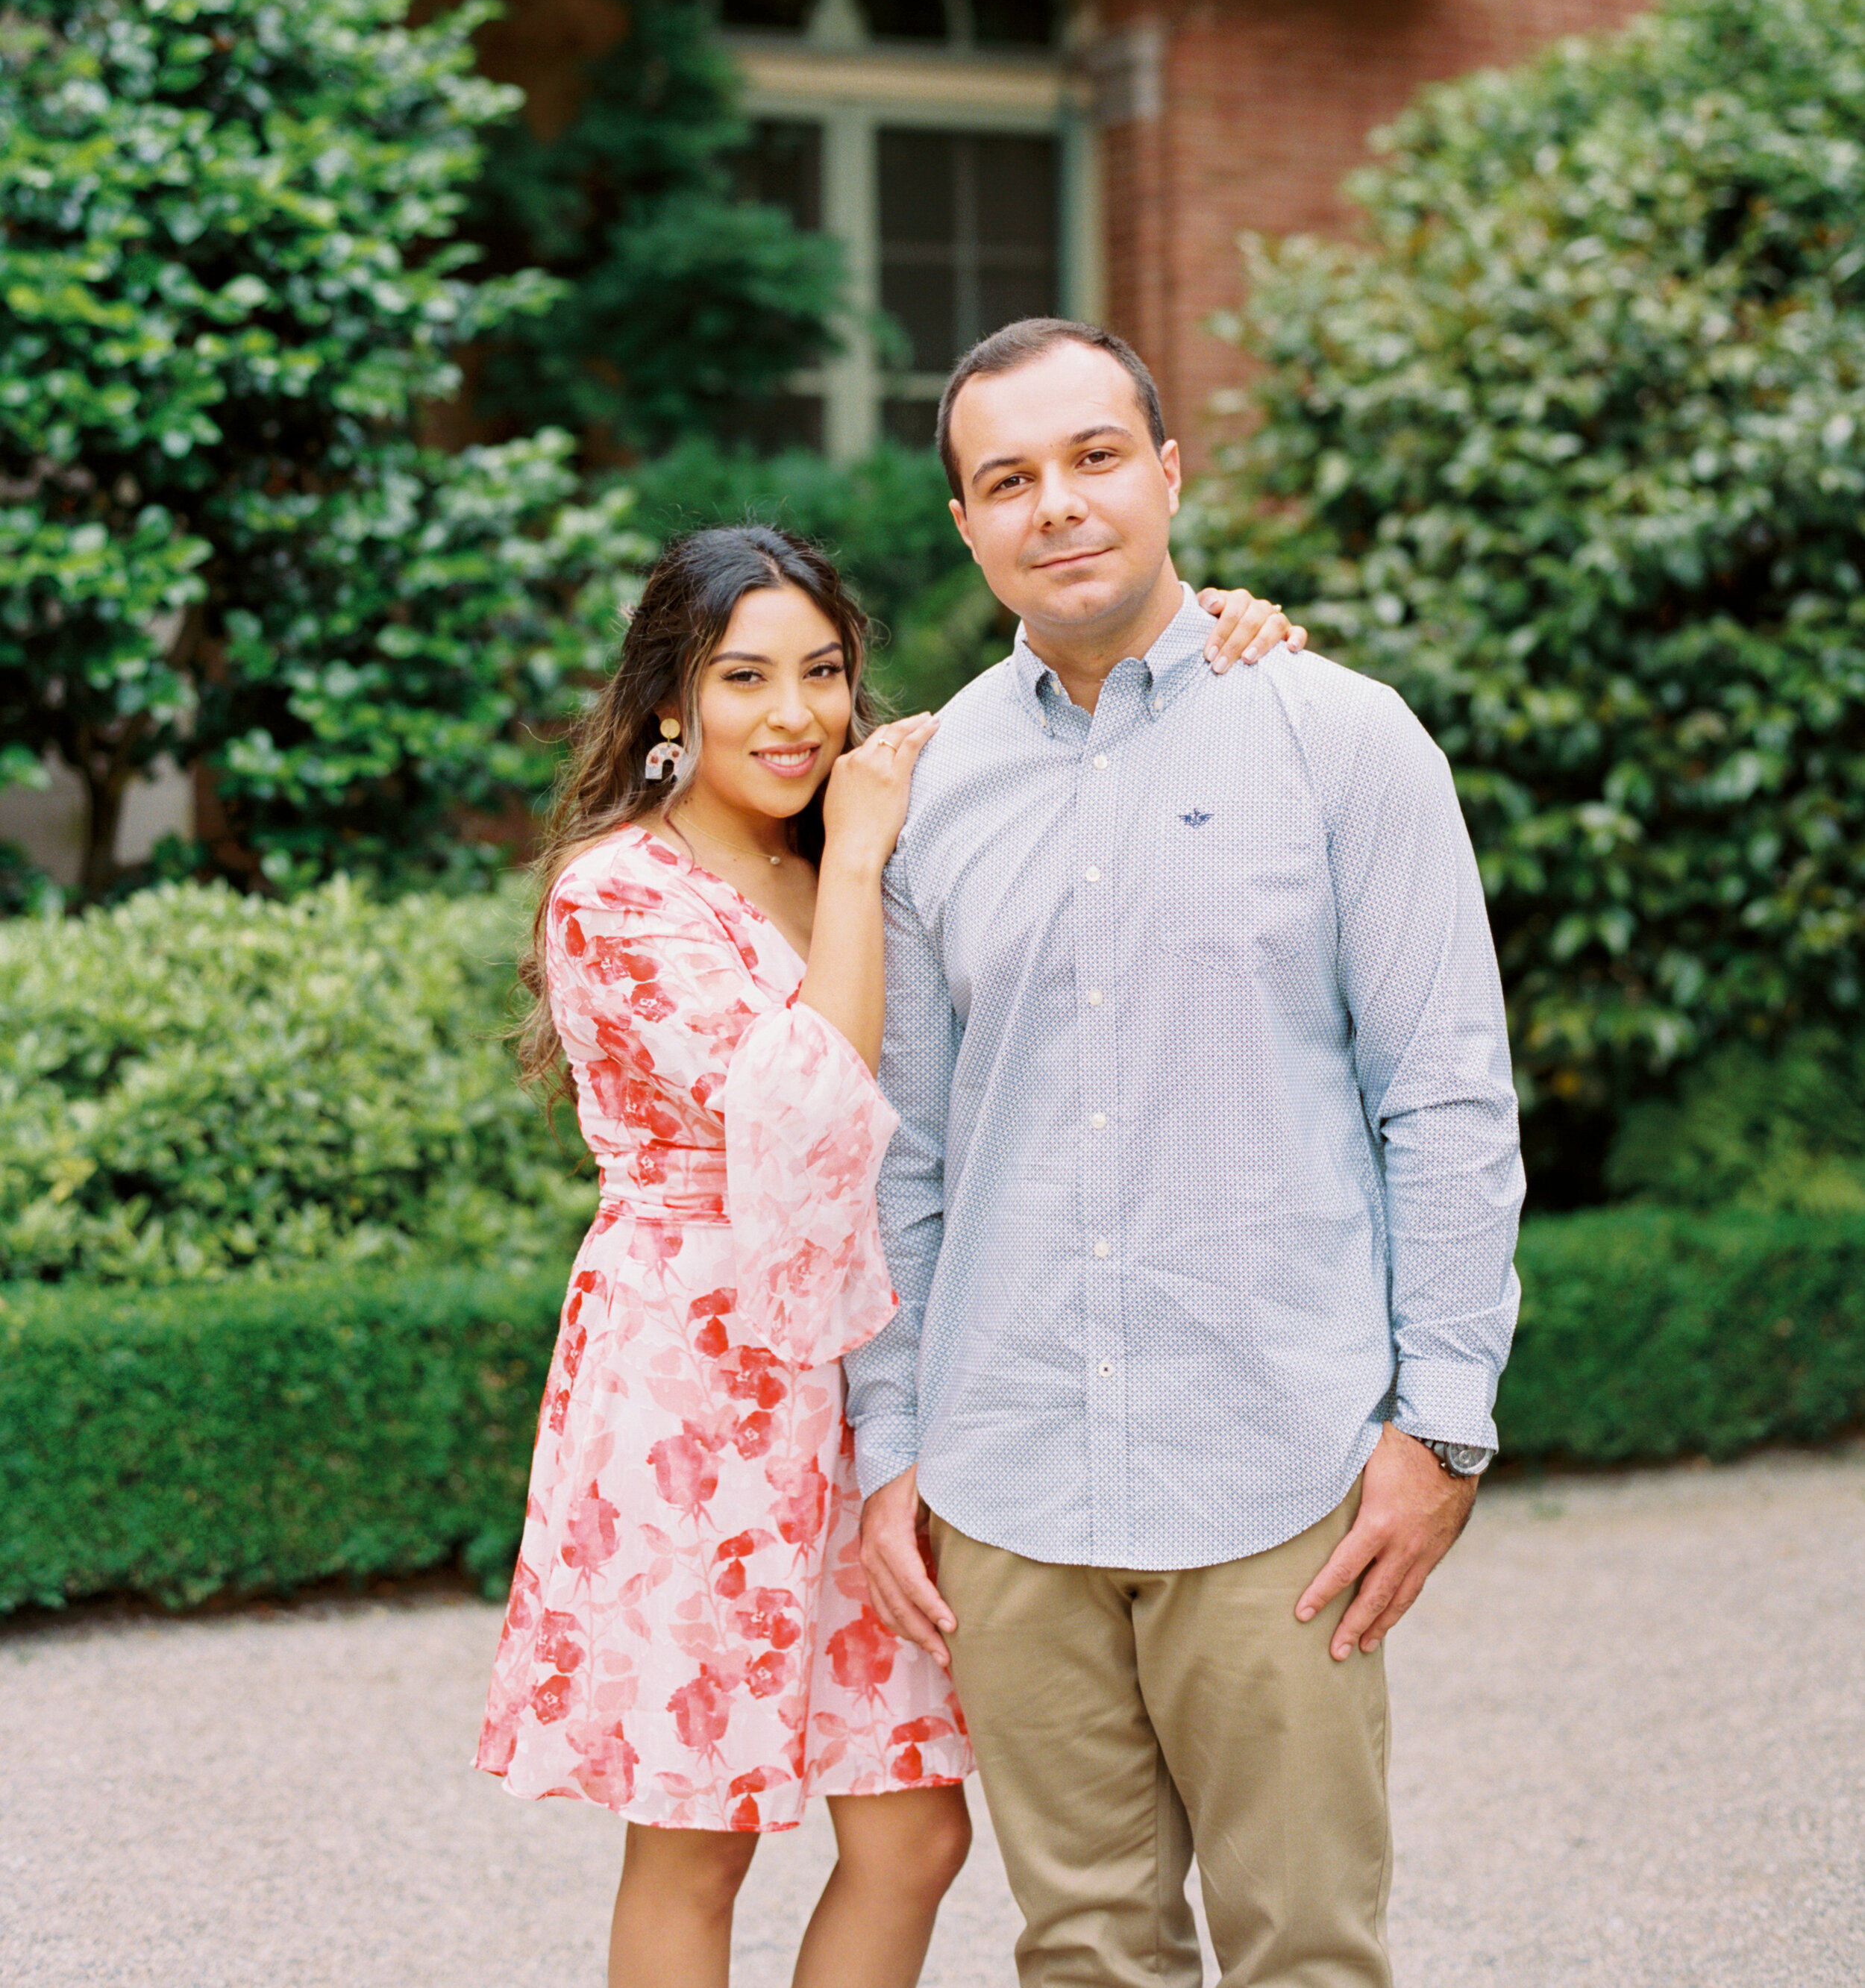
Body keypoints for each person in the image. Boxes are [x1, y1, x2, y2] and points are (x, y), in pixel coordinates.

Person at [474, 521, 1301, 1988]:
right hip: (696, 1395)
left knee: (915, 1832)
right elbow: (811, 1102)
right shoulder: (621, 890)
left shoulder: (861, 829)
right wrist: (856, 854)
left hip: (874, 1384)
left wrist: (1215, 632)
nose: (793, 713)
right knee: (697, 1834)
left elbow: (1069, 709)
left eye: (822, 671)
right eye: (743, 677)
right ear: (669, 701)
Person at [847, 320, 1526, 1988]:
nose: (1055, 504)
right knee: (1080, 1949)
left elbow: (1441, 1094)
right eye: (1005, 477)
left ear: (1166, 471)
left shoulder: (1340, 737)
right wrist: (890, 1438)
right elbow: (899, 1151)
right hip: (1005, 1483)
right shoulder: (924, 792)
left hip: (1274, 1478)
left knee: (1304, 1948)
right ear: (962, 523)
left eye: (1091, 457)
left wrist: (1438, 1424)